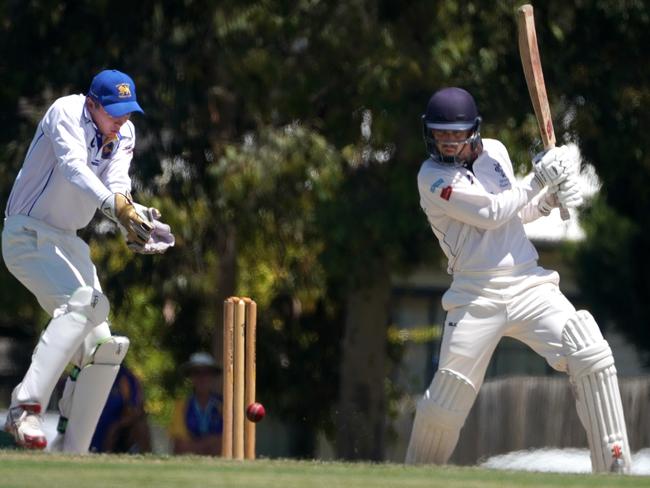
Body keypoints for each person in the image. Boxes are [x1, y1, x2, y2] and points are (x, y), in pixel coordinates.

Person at [405, 87, 631, 473]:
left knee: (589, 351)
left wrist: (548, 200)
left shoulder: (495, 152)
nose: (446, 142)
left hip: (529, 281)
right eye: (440, 134)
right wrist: (539, 178)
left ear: (473, 132)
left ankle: (614, 471)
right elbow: (492, 212)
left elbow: (514, 213)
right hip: (475, 293)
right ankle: (415, 479)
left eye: (455, 135)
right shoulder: (432, 177)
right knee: (447, 396)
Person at [2, 69, 174, 452]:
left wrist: (136, 219)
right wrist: (118, 209)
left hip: (69, 243)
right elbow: (73, 168)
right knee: (81, 305)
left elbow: (117, 185)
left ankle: (74, 449)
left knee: (104, 346)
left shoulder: (124, 132)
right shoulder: (65, 112)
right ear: (91, 103)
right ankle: (24, 409)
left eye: (128, 111)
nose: (122, 120)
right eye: (113, 111)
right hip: (26, 234)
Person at [168, 352, 223, 456]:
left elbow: (228, 442)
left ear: (212, 376)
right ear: (191, 377)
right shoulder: (181, 406)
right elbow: (179, 446)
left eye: (206, 373)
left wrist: (195, 445)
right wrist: (209, 444)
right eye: (196, 373)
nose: (201, 378)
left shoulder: (224, 405)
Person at [90, 364, 152, 453]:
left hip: (115, 429)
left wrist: (116, 426)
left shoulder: (125, 377)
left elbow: (134, 411)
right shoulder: (89, 372)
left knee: (141, 427)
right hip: (92, 425)